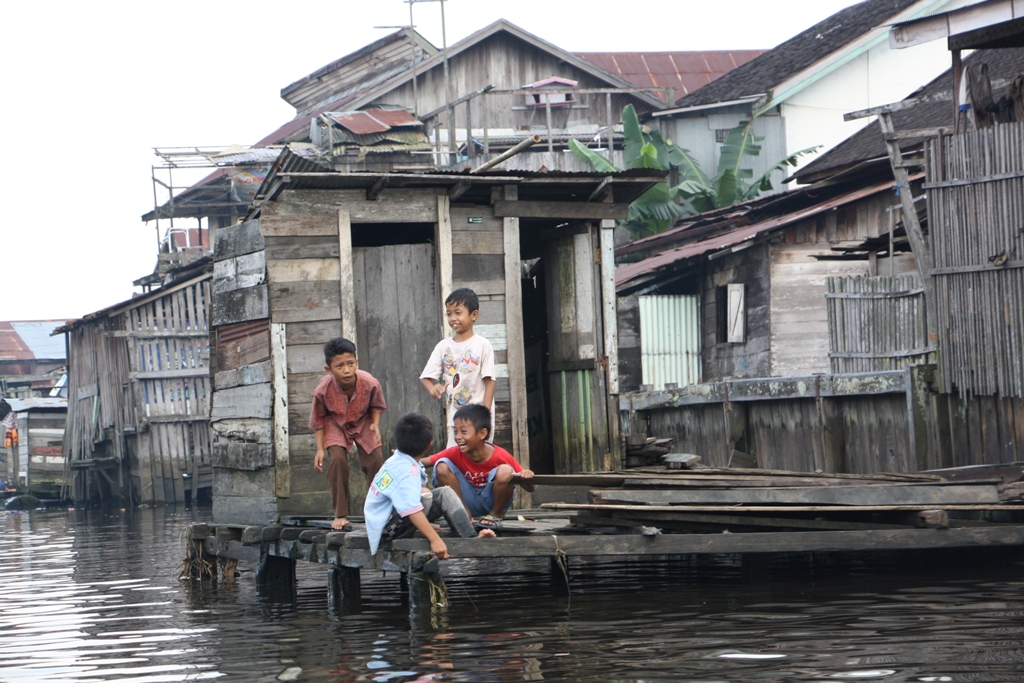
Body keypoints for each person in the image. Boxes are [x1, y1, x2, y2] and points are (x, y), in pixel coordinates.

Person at [364, 412, 495, 558]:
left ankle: (470, 539)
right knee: (424, 494)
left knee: (444, 493)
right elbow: (411, 509)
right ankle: (472, 545)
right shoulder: (407, 471)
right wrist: (435, 539)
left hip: (390, 520)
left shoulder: (398, 459)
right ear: (429, 445)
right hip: (386, 532)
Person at [309, 337, 386, 531]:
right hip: (335, 423)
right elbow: (318, 419)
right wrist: (319, 449)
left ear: (356, 363)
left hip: (363, 421)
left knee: (376, 460)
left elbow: (376, 405)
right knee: (337, 460)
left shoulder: (370, 382)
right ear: (329, 369)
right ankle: (340, 515)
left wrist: (375, 425)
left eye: (350, 364)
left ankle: (381, 511)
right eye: (340, 366)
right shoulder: (323, 390)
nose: (346, 370)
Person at [424, 403, 534, 529]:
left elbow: (531, 488)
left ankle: (495, 515)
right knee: (442, 465)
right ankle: (463, 514)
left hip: (490, 501)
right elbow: (426, 461)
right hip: (465, 501)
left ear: (482, 433)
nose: (458, 437)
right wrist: (404, 457)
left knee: (506, 470)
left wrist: (526, 475)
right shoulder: (455, 452)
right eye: (455, 432)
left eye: (463, 432)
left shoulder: (500, 455)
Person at [420, 287, 495, 448]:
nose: (452, 318)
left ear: (474, 315)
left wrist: (486, 416)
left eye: (458, 312)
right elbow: (426, 378)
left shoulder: (483, 345)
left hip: (478, 418)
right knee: (455, 457)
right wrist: (433, 389)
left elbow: (489, 382)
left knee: (479, 457)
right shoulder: (443, 346)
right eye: (449, 313)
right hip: (457, 419)